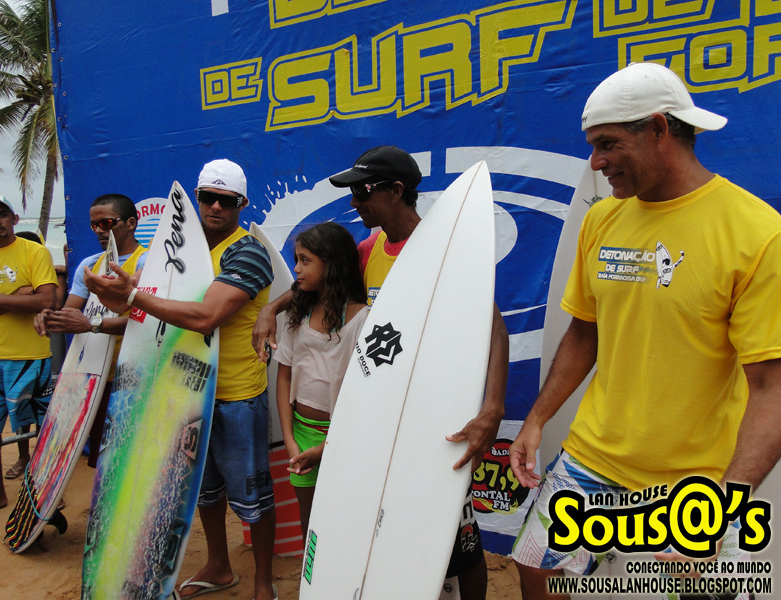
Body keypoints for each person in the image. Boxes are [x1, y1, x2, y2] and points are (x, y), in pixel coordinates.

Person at [508, 62, 781, 599]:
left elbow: (772, 387)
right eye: (592, 145)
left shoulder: (756, 233)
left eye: (607, 144)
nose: (595, 161)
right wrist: (536, 420)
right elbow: (584, 332)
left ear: (659, 129)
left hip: (699, 481)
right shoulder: (603, 218)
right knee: (536, 567)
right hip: (594, 456)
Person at [253, 145, 509, 600]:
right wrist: (271, 308)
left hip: (437, 416)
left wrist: (492, 408)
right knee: (394, 529)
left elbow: (496, 331)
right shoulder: (369, 249)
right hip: (385, 419)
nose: (355, 202)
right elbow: (323, 278)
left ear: (395, 190)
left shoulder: (443, 247)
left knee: (459, 538)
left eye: (363, 191)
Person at [84, 160, 277, 600]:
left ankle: (264, 581)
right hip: (185, 392)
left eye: (226, 201)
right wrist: (123, 291)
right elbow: (140, 308)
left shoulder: (247, 252)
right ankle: (219, 566)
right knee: (201, 491)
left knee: (253, 499)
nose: (215, 207)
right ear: (196, 197)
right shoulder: (176, 252)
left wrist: (132, 295)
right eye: (207, 197)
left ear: (242, 204)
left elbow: (207, 316)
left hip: (235, 396)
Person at [34, 193, 147, 467]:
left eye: (106, 223)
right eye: (94, 225)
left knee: (134, 462)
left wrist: (92, 324)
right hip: (98, 377)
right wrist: (50, 317)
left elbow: (150, 322)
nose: (98, 230)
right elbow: (71, 313)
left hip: (139, 377)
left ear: (131, 223)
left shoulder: (148, 262)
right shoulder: (89, 265)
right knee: (102, 462)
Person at [274, 222, 369, 537]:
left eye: (305, 260)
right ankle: (310, 569)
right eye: (296, 260)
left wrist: (327, 448)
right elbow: (284, 376)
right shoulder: (298, 315)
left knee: (343, 521)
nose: (296, 269)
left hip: (344, 438)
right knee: (310, 520)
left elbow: (366, 396)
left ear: (332, 264)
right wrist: (290, 440)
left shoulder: (361, 318)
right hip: (301, 434)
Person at [0, 195, 57, 514]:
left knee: (42, 427)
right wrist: (17, 295)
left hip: (30, 356)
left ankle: (48, 490)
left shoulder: (34, 252)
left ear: (14, 218)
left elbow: (46, 301)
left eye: (2, 214)